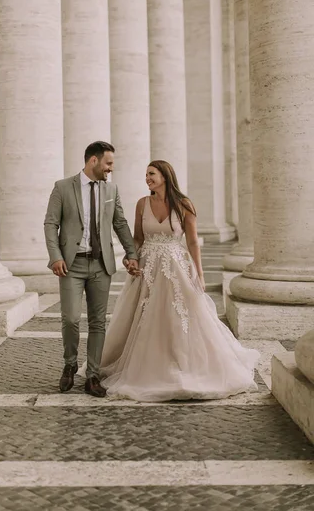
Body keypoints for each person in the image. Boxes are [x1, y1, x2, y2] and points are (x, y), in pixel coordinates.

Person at [93, 160, 260, 402]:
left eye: (151, 174)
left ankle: (182, 364)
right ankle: (146, 365)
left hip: (176, 266)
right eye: (146, 174)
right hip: (148, 268)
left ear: (164, 175)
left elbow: (192, 241)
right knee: (144, 315)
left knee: (179, 315)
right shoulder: (142, 204)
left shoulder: (184, 204)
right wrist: (132, 259)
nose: (147, 178)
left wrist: (199, 274)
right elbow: (138, 238)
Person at [44, 141, 139, 397]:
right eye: (108, 163)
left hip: (101, 264)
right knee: (71, 319)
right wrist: (55, 256)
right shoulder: (63, 187)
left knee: (98, 323)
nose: (111, 168)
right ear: (93, 161)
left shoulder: (111, 189)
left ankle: (93, 376)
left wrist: (132, 253)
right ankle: (69, 364)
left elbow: (120, 223)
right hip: (71, 265)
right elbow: (50, 223)